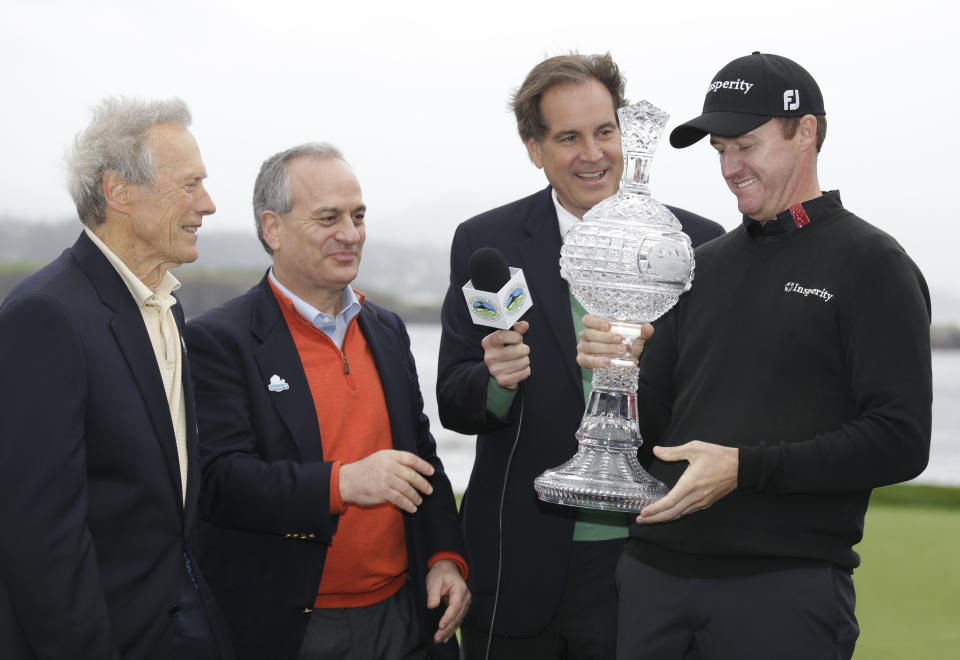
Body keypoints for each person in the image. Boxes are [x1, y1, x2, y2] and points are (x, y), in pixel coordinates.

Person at [577, 52, 931, 659]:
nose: (730, 167)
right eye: (720, 150)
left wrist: (746, 467)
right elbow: (651, 432)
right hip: (655, 576)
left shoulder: (874, 265)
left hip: (783, 589)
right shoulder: (700, 265)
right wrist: (617, 371)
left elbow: (900, 440)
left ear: (806, 133)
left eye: (746, 145)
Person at [437, 53, 724, 659]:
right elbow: (455, 401)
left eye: (604, 131)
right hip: (518, 558)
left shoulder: (695, 243)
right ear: (534, 148)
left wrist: (640, 370)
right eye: (568, 137)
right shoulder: (485, 241)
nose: (592, 154)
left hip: (650, 555)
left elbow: (716, 400)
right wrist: (497, 381)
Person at [185, 143, 469, 660]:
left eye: (358, 216)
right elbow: (220, 483)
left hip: (405, 614)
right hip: (291, 624)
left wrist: (447, 557)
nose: (351, 234)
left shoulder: (385, 329)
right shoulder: (217, 340)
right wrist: (344, 483)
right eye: (328, 218)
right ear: (273, 228)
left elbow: (422, 458)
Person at [0, 97, 231, 659]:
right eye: (190, 184)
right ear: (119, 192)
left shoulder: (168, 307)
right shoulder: (44, 316)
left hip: (185, 619)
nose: (209, 203)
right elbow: (41, 536)